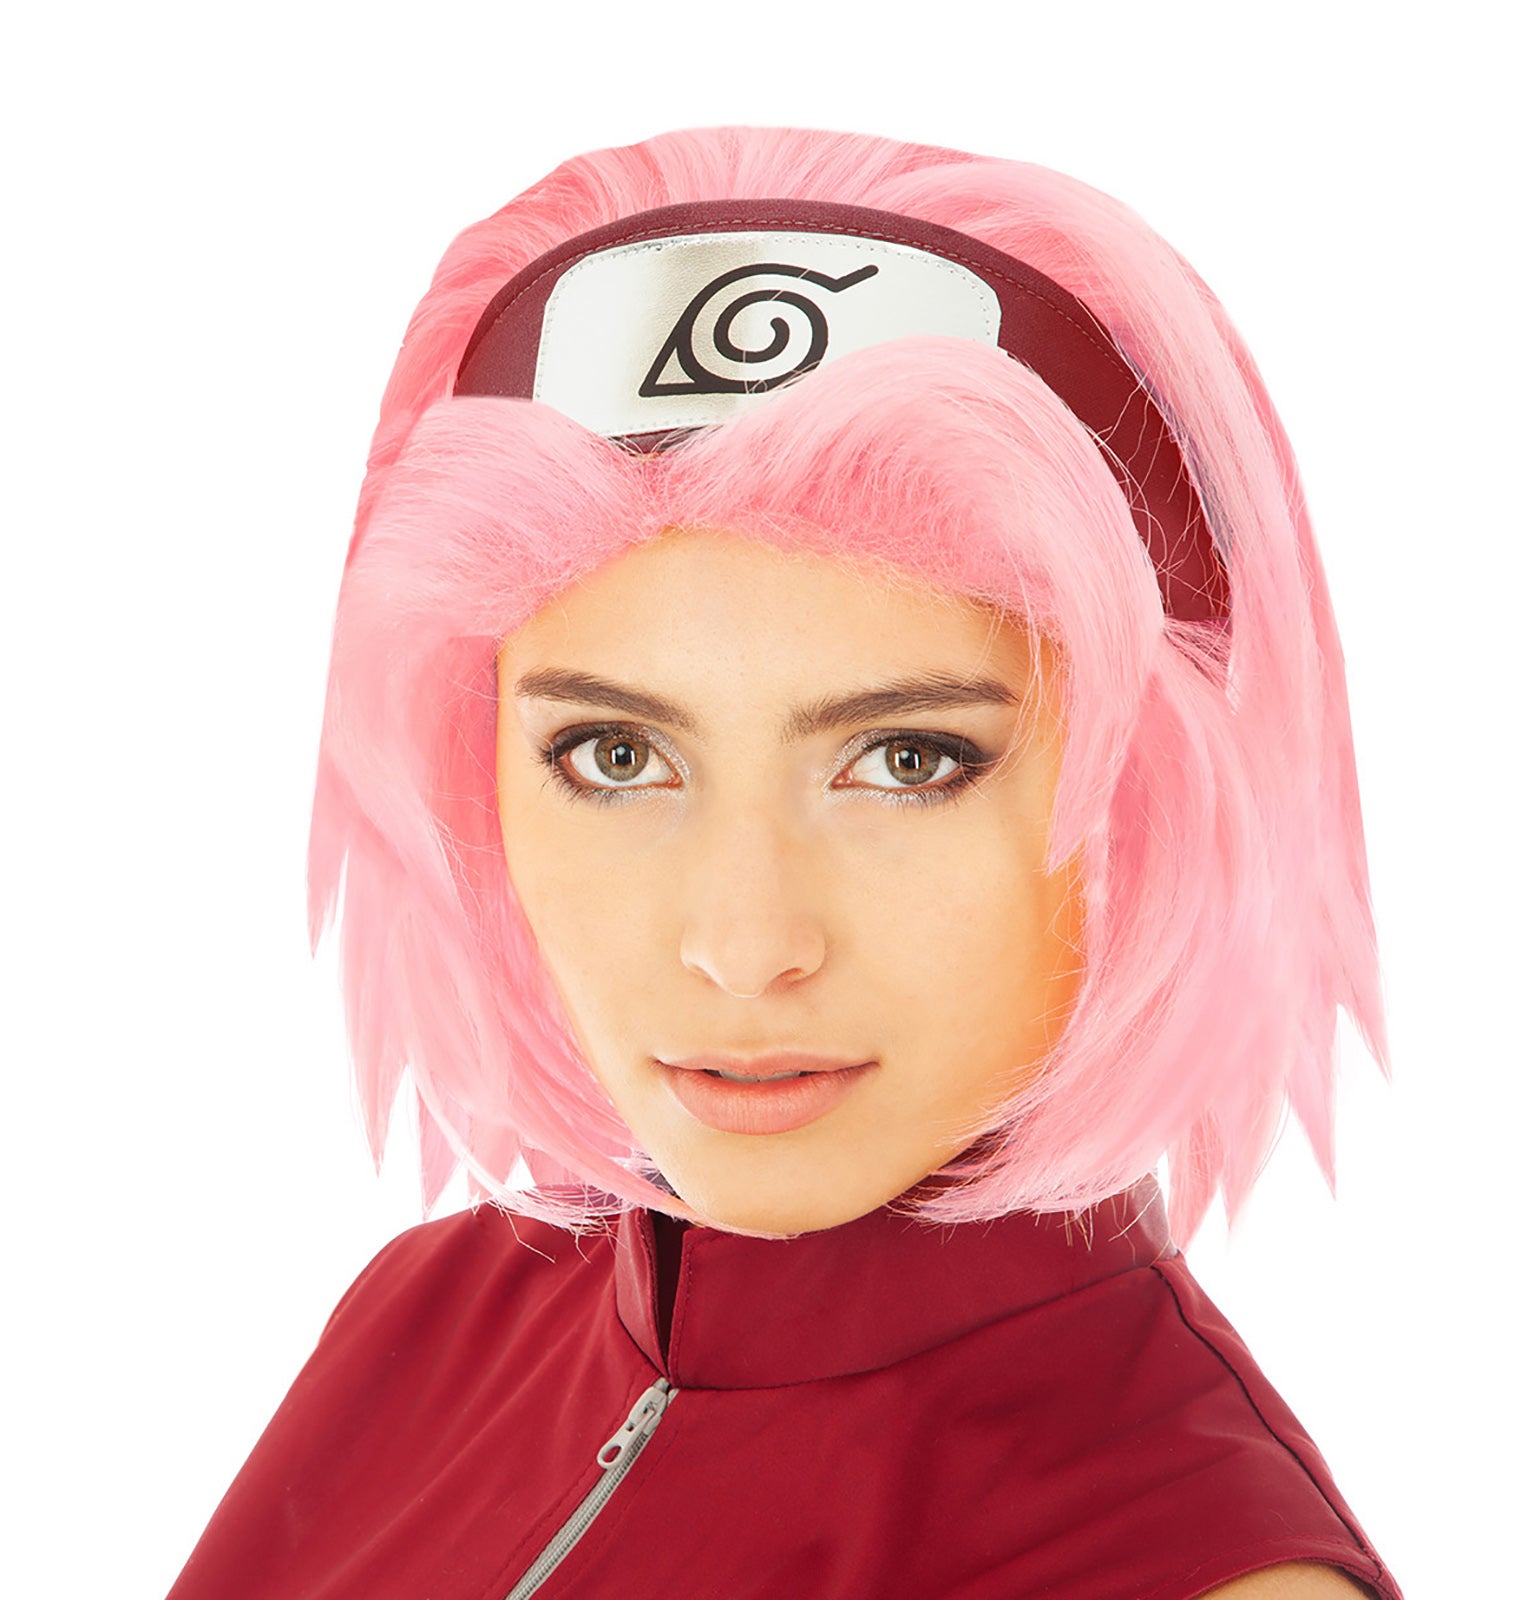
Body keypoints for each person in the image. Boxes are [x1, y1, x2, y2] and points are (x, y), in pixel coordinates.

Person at [167, 126, 1403, 1598]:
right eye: (615, 756)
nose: (744, 947)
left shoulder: (1185, 1570)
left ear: (1147, 802)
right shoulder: (427, 1321)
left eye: (908, 761)